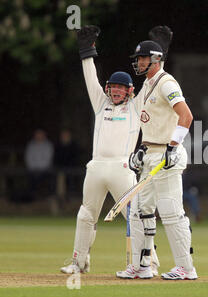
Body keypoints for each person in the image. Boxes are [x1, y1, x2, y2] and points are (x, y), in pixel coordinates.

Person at [60, 25, 159, 277]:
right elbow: (90, 77)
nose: (115, 90)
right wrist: (86, 51)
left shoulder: (136, 107)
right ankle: (78, 262)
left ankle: (151, 262)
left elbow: (152, 81)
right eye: (112, 87)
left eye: (120, 87)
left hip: (122, 169)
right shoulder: (100, 104)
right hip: (95, 168)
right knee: (85, 215)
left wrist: (159, 52)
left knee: (135, 217)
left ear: (129, 90)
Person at [116, 26, 197, 280]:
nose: (138, 63)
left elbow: (186, 116)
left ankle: (186, 268)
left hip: (166, 155)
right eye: (138, 59)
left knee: (171, 212)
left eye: (142, 58)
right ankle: (143, 266)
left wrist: (173, 147)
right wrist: (140, 150)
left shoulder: (166, 82)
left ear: (156, 60)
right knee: (140, 211)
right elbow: (146, 122)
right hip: (150, 155)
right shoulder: (147, 86)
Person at [25, 129, 54, 200]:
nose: (38, 136)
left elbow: (47, 159)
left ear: (44, 136)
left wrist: (40, 169)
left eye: (40, 135)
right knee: (32, 178)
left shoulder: (48, 146)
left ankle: (43, 197)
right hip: (32, 170)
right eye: (37, 134)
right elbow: (28, 158)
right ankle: (32, 197)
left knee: (42, 178)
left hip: (44, 170)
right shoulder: (31, 145)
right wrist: (33, 168)